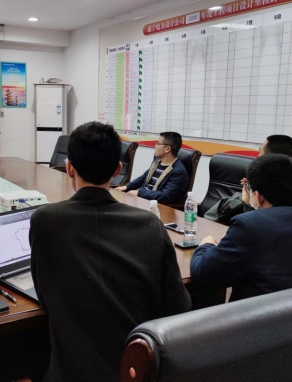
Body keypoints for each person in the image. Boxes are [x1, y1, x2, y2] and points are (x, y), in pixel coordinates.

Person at [30, 122, 191, 382]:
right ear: (117, 170)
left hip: (71, 372)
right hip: (137, 370)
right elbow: (179, 306)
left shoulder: (45, 220)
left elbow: (44, 295)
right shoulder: (150, 225)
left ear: (69, 168)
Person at [190, 154, 292, 372]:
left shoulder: (251, 225)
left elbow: (204, 274)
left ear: (258, 196)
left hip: (273, 351)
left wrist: (206, 245)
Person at [204, 134, 292, 223]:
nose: (257, 158)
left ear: (272, 159)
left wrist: (251, 204)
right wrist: (251, 200)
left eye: (260, 153)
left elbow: (266, 225)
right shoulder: (282, 180)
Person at [115, 131, 189, 205]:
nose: (155, 146)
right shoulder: (157, 162)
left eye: (158, 143)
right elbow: (143, 178)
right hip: (143, 200)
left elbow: (166, 196)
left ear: (167, 149)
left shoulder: (178, 172)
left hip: (154, 205)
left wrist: (139, 193)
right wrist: (126, 187)